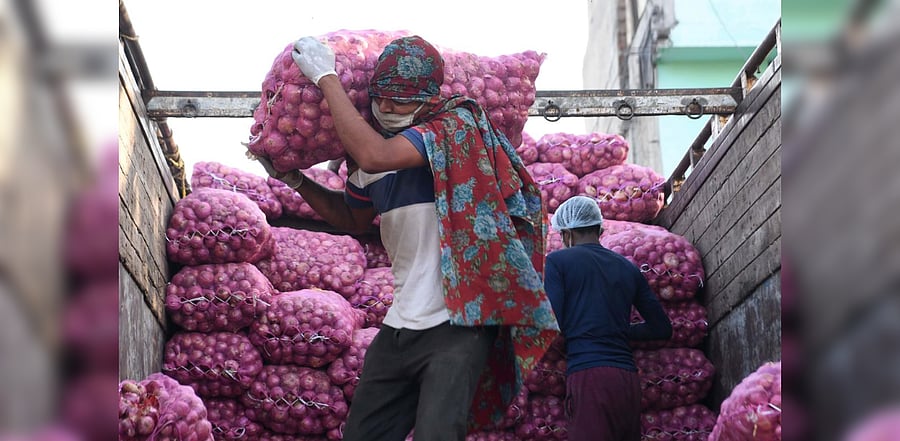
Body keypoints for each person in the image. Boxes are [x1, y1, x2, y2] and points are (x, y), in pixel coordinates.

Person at [254, 35, 559, 441]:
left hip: (458, 325)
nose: (388, 107)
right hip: (399, 328)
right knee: (363, 433)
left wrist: (327, 79)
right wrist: (295, 181)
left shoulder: (453, 128)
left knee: (438, 434)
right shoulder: (368, 159)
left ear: (428, 98)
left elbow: (375, 155)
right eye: (382, 97)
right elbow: (352, 217)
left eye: (401, 100)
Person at [543, 196, 673, 441]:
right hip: (627, 380)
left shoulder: (557, 262)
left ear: (567, 233)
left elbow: (553, 323)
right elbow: (662, 328)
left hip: (588, 376)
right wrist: (619, 330)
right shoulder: (628, 267)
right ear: (599, 229)